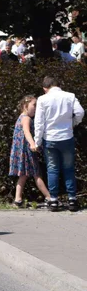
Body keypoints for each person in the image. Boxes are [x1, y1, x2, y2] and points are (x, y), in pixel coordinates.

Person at [34, 75, 84, 212]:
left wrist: (37, 141)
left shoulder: (42, 99)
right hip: (67, 136)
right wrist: (72, 124)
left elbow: (39, 122)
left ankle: (54, 200)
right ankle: (72, 199)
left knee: (52, 169)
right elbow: (80, 112)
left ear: (45, 88)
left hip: (50, 138)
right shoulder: (70, 96)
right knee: (68, 168)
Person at [9, 95, 51, 208]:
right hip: (26, 150)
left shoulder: (21, 117)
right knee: (36, 174)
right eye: (34, 105)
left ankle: (18, 200)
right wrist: (33, 144)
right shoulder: (26, 118)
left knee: (23, 175)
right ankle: (49, 198)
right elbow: (27, 132)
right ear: (25, 106)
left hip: (21, 151)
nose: (36, 108)